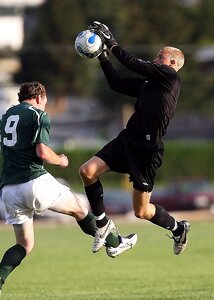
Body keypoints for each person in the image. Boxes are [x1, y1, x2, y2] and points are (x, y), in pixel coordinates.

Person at [0, 81, 137, 296]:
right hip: (33, 182)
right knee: (81, 209)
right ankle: (115, 242)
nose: (45, 105)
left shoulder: (6, 116)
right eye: (45, 101)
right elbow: (43, 152)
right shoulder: (38, 115)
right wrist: (61, 160)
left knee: (24, 244)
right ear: (39, 97)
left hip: (8, 189)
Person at [79, 21, 190, 256]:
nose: (155, 59)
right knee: (87, 171)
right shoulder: (150, 84)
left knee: (141, 211)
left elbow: (131, 63)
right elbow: (116, 83)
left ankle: (179, 228)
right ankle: (102, 224)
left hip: (147, 151)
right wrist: (103, 57)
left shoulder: (170, 79)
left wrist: (112, 41)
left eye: (160, 57)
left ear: (172, 63)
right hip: (127, 140)